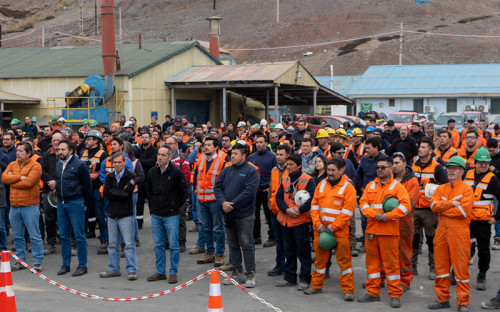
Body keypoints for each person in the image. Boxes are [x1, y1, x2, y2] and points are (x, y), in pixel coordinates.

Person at [358, 156, 411, 309]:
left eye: (383, 167)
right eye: (378, 167)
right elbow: (363, 204)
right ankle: (372, 292)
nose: (380, 170)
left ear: (390, 168)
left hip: (389, 232)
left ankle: (395, 294)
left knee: (391, 266)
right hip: (372, 232)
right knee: (372, 265)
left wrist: (388, 216)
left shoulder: (397, 187)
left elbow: (405, 207)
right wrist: (375, 215)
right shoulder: (370, 185)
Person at [305, 157, 356, 301]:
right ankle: (316, 285)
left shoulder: (348, 187)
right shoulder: (321, 184)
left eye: (333, 170)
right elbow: (314, 206)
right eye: (329, 170)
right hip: (321, 230)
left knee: (344, 262)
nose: (330, 173)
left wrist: (332, 227)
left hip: (339, 231)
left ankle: (348, 290)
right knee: (319, 261)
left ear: (342, 170)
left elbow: (347, 212)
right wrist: (317, 224)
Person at [428, 156, 474, 312]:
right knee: (440, 268)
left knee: (461, 269)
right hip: (441, 232)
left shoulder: (467, 189)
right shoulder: (441, 188)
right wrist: (452, 203)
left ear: (462, 171)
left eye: (455, 168)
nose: (451, 171)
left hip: (459, 233)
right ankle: (442, 299)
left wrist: (443, 208)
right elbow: (433, 206)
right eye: (449, 168)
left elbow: (463, 211)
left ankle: (463, 302)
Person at [215, 143, 259, 288]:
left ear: (244, 156)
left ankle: (250, 274)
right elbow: (218, 187)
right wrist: (223, 203)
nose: (232, 156)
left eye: (235, 154)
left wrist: (231, 204)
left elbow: (249, 192)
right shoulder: (226, 170)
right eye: (231, 153)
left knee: (246, 244)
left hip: (244, 214)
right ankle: (236, 272)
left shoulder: (251, 171)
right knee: (233, 245)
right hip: (228, 214)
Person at [146, 145, 188, 284]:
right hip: (157, 214)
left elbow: (183, 193)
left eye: (163, 155)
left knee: (174, 245)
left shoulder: (176, 172)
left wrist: (174, 206)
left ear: (170, 157)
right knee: (158, 245)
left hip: (171, 215)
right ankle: (160, 271)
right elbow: (149, 191)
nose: (160, 157)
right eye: (159, 154)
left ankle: (173, 272)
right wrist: (153, 208)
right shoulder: (152, 172)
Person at [275, 154, 316, 291]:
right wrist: (286, 210)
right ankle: (290, 277)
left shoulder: (308, 180)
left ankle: (304, 279)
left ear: (299, 165)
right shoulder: (285, 178)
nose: (289, 167)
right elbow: (279, 197)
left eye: (291, 164)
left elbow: (312, 199)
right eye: (288, 164)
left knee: (303, 251)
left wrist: (299, 211)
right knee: (289, 250)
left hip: (301, 221)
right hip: (286, 221)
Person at [2, 142, 43, 272]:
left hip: (29, 206)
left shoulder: (36, 166)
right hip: (14, 206)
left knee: (34, 235)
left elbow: (29, 182)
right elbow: (4, 178)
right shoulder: (12, 164)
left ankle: (37, 262)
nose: (17, 153)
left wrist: (13, 182)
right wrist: (19, 177)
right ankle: (20, 260)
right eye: (17, 150)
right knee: (17, 236)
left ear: (28, 153)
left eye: (21, 151)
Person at [463, 148, 500, 290]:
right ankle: (459, 271)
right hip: (465, 220)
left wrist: (496, 218)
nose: (483, 165)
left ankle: (482, 274)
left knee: (483, 249)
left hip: (483, 222)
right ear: (475, 162)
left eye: (486, 163)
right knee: (464, 247)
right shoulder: (466, 174)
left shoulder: (493, 179)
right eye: (481, 162)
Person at [411, 137, 448, 279]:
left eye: (424, 147)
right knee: (413, 239)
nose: (420, 149)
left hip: (430, 210)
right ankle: (412, 266)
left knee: (432, 240)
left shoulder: (437, 167)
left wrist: (434, 193)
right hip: (414, 209)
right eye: (420, 147)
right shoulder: (412, 165)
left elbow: (445, 187)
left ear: (431, 151)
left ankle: (433, 268)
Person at [55, 139, 92, 277]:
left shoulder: (79, 165)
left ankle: (82, 265)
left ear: (71, 150)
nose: (60, 152)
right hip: (61, 203)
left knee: (79, 236)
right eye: (59, 149)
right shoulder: (58, 164)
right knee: (64, 235)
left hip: (76, 203)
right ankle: (66, 264)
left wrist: (85, 203)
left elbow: (87, 185)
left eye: (63, 149)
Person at [100, 152, 138, 281]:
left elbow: (127, 194)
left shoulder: (130, 176)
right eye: (114, 162)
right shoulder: (109, 177)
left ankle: (132, 270)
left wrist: (114, 192)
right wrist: (119, 193)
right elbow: (106, 194)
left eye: (119, 162)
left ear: (124, 162)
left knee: (128, 244)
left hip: (125, 215)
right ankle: (113, 269)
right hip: (112, 215)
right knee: (112, 244)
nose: (117, 165)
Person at [196, 136, 227, 266]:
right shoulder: (201, 159)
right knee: (206, 227)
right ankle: (209, 253)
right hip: (201, 200)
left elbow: (225, 181)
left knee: (219, 228)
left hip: (215, 200)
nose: (206, 147)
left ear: (215, 147)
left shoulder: (223, 160)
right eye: (205, 145)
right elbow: (197, 176)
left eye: (209, 145)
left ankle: (219, 254)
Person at [391, 152, 419, 292]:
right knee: (387, 252)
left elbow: (410, 203)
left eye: (397, 163)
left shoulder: (412, 181)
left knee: (404, 252)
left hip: (404, 223)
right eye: (393, 163)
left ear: (404, 164)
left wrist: (392, 204)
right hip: (389, 222)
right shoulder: (390, 179)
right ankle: (383, 278)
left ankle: (405, 281)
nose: (394, 166)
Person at [80, 130, 109, 254]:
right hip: (84, 189)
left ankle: (104, 240)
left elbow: (103, 173)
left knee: (100, 215)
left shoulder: (103, 154)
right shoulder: (83, 153)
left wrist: (94, 178)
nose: (87, 141)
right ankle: (81, 240)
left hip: (96, 189)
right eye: (87, 139)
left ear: (96, 140)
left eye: (90, 139)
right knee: (82, 215)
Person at [248, 135, 276, 246]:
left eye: (261, 142)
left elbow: (275, 174)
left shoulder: (272, 157)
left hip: (266, 190)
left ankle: (272, 237)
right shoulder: (251, 157)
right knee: (254, 215)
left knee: (269, 215)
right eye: (257, 142)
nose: (258, 144)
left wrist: (271, 188)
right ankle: (256, 237)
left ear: (266, 143)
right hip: (254, 190)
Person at [165, 136, 191, 252]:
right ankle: (167, 241)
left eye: (171, 144)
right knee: (165, 218)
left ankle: (181, 242)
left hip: (178, 194)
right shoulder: (162, 157)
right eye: (166, 143)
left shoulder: (182, 158)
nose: (168, 146)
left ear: (176, 145)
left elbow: (186, 176)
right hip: (164, 194)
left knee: (180, 218)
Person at [268, 145, 290, 276]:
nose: (278, 157)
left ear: (287, 155)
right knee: (279, 240)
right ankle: (279, 264)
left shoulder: (292, 169)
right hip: (275, 210)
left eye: (281, 154)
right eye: (277, 154)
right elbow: (271, 189)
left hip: (286, 211)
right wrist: (270, 205)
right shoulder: (274, 170)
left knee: (288, 241)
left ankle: (288, 266)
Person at [40, 132, 63, 255]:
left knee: (65, 219)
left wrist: (57, 184)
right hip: (48, 192)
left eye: (58, 140)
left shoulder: (68, 155)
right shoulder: (46, 155)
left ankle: (71, 243)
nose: (56, 143)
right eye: (54, 140)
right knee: (49, 219)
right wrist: (51, 183)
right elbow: (41, 171)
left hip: (64, 192)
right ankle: (51, 243)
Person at [134, 132, 158, 229]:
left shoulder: (155, 151)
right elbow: (134, 162)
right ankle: (139, 223)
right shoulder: (137, 151)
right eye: (142, 137)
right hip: (139, 181)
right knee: (139, 203)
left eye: (146, 137)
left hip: (150, 180)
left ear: (150, 139)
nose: (144, 139)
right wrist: (139, 161)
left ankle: (155, 222)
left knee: (152, 202)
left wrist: (139, 161)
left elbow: (151, 162)